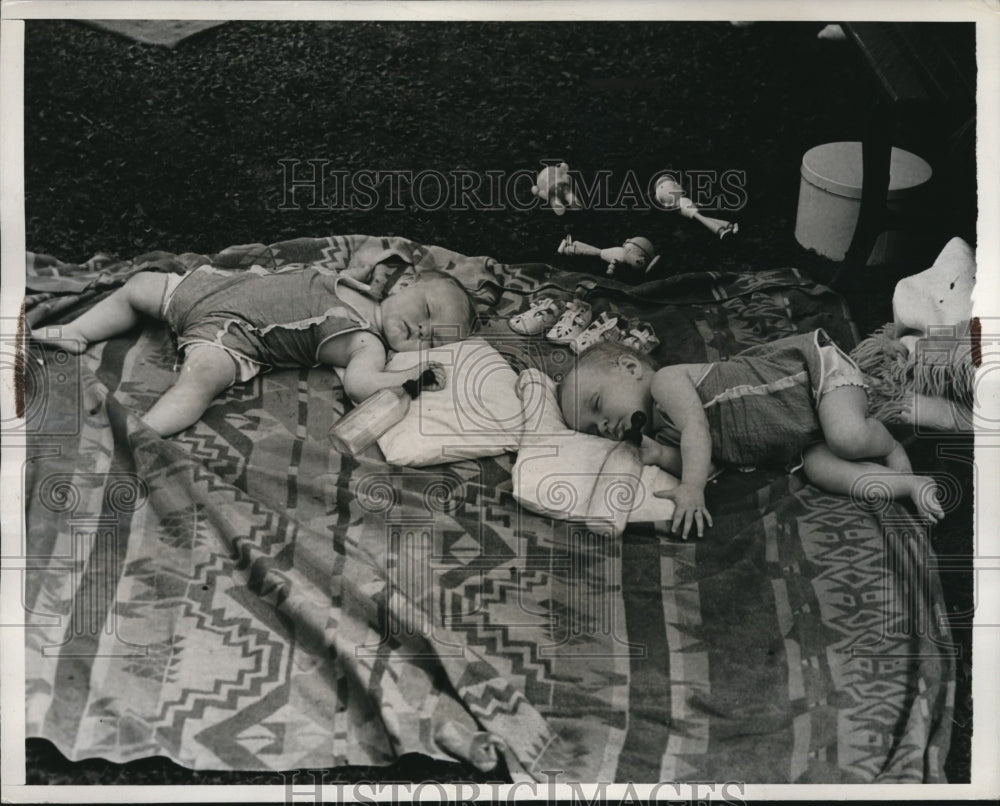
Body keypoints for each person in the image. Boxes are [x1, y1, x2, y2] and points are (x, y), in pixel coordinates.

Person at [559, 330, 944, 539]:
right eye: (594, 429)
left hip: (811, 378)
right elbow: (705, 462)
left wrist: (691, 489)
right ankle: (907, 483)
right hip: (799, 437)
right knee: (822, 470)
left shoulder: (666, 382)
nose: (604, 426)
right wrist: (661, 457)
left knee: (846, 436)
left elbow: (698, 431)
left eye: (597, 404)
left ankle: (888, 440)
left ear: (629, 367)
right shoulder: (666, 436)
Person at [34, 264, 476, 436]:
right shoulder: (360, 285)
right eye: (427, 310)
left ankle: (142, 431)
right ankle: (78, 330)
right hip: (207, 290)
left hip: (234, 335)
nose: (422, 328)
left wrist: (406, 378)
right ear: (407, 285)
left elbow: (362, 385)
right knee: (142, 284)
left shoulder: (367, 343)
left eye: (434, 337)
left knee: (202, 376)